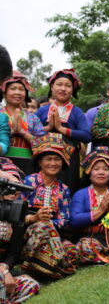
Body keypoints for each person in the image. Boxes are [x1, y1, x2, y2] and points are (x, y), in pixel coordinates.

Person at [21, 133, 77, 279]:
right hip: (27, 233)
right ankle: (35, 264)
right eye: (48, 159)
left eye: (57, 159)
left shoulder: (63, 189)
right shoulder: (29, 182)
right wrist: (34, 218)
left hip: (53, 234)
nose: (53, 163)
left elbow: (65, 219)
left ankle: (41, 267)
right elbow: (18, 211)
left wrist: (49, 223)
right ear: (40, 162)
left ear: (62, 163)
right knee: (41, 228)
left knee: (71, 250)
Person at [70, 147, 109, 264]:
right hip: (89, 238)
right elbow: (74, 220)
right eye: (96, 169)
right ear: (89, 172)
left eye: (105, 169)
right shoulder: (81, 194)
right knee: (85, 247)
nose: (101, 172)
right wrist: (101, 210)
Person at [36, 69, 91, 194]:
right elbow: (32, 132)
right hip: (45, 158)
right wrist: (48, 128)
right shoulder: (42, 111)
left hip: (69, 161)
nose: (63, 88)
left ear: (73, 90)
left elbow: (87, 135)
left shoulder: (77, 112)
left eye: (68, 86)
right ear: (52, 87)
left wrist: (61, 129)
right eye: (59, 84)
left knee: (67, 190)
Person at [0, 158, 40, 303]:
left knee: (31, 285)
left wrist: (4, 268)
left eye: (16, 189)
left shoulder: (17, 212)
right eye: (8, 188)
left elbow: (13, 253)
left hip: (3, 268)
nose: (12, 193)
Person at [1, 71, 46, 174]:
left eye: (21, 89)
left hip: (28, 166)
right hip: (2, 165)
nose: (17, 92)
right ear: (4, 92)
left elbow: (44, 144)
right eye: (13, 89)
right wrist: (10, 133)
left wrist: (23, 133)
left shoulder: (33, 118)